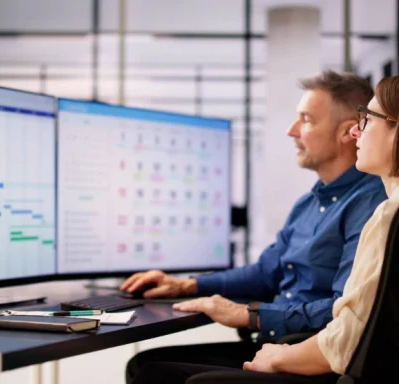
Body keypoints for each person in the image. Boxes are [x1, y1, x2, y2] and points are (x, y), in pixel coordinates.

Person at [123, 70, 388, 384]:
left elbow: (344, 310)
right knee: (144, 364)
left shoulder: (370, 204)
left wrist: (252, 315)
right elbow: (266, 271)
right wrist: (188, 285)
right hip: (277, 341)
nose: (292, 131)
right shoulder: (309, 202)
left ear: (348, 132)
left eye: (306, 120)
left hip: (311, 352)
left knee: (158, 374)